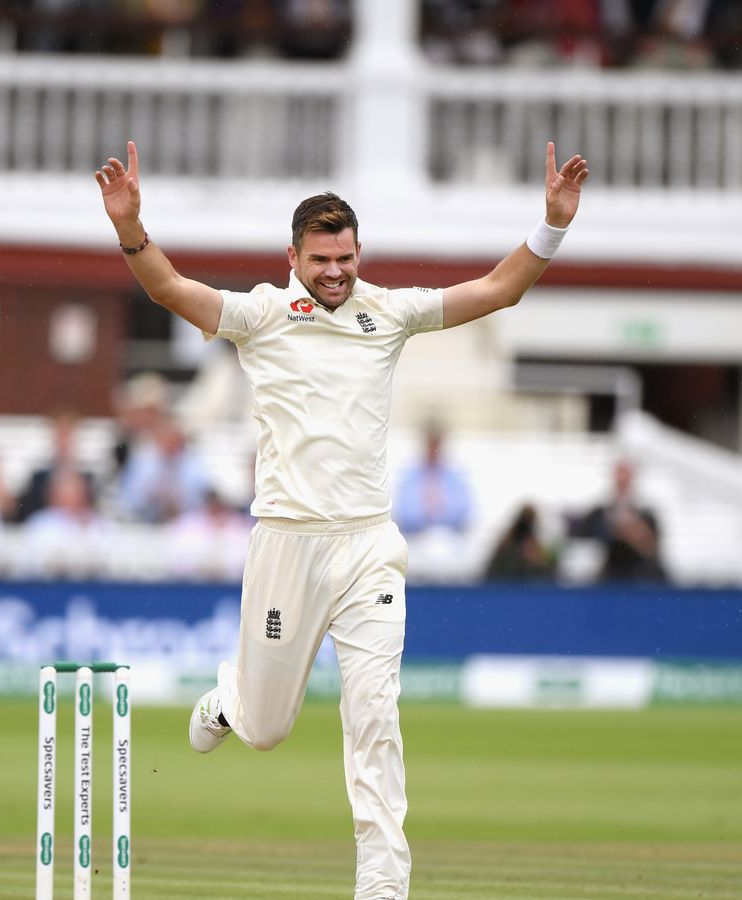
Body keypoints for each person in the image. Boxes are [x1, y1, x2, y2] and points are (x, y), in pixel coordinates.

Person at [96, 137, 587, 900]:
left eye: (346, 258)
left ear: (360, 254)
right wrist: (130, 226)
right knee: (266, 730)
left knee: (374, 716)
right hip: (286, 545)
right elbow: (169, 290)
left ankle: (382, 886)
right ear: (292, 256)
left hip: (368, 548)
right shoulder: (260, 313)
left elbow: (497, 291)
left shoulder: (387, 312)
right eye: (321, 259)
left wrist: (552, 224)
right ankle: (231, 700)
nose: (335, 271)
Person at [569, 457, 666, 582]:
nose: (622, 481)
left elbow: (654, 552)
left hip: (637, 578)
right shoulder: (598, 514)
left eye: (625, 478)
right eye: (619, 477)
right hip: (605, 579)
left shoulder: (647, 516)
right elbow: (581, 540)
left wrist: (637, 535)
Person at [392, 422, 473, 534]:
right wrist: (428, 509)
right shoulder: (410, 477)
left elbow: (463, 512)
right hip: (416, 539)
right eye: (430, 444)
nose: (433, 449)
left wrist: (440, 507)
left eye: (436, 444)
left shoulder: (455, 477)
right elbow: (405, 514)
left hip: (448, 538)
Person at [484, 502, 556, 581]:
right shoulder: (507, 545)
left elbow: (545, 572)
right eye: (526, 518)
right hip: (506, 582)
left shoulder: (534, 546)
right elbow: (494, 571)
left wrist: (538, 560)